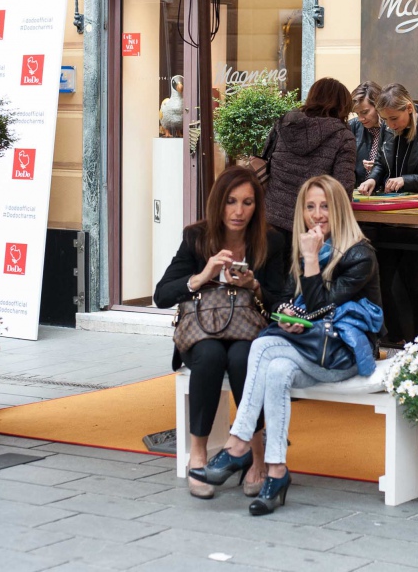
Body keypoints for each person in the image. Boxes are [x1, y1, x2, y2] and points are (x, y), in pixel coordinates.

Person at [197, 175, 382, 516]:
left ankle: (237, 444)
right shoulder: (306, 248)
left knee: (263, 347)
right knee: (277, 370)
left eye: (325, 206)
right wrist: (286, 316)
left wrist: (310, 261)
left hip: (345, 355)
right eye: (310, 207)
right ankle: (277, 471)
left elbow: (320, 306)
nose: (317, 214)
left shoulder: (359, 255)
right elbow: (285, 299)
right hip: (313, 347)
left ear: (340, 209)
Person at [153, 165, 288, 499]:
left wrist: (254, 285)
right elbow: (162, 295)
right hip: (201, 332)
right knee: (211, 356)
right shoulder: (196, 238)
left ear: (256, 206)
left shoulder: (270, 241)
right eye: (231, 201)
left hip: (246, 330)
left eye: (247, 202)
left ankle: (256, 455)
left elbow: (281, 303)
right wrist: (202, 275)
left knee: (244, 358)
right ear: (219, 203)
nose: (239, 211)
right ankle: (198, 454)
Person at [356, 83, 418, 343]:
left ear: (409, 108)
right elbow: (381, 163)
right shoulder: (389, 129)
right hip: (389, 220)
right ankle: (395, 338)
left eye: (394, 119)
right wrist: (372, 179)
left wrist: (406, 181)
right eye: (386, 120)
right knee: (380, 282)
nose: (391, 125)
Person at [262, 78, 357, 244]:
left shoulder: (284, 125)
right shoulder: (343, 137)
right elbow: (343, 189)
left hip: (271, 218)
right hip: (313, 225)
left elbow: (265, 159)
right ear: (343, 105)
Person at [348, 81, 384, 188]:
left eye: (364, 112)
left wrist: (380, 168)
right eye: (357, 113)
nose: (360, 119)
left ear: (378, 105)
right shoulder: (352, 126)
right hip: (359, 190)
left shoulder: (393, 127)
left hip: (386, 190)